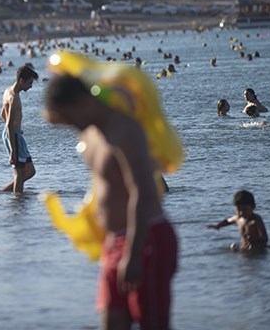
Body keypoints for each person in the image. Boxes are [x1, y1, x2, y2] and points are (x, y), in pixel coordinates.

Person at [44, 75, 177, 330]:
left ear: (84, 101)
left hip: (146, 239)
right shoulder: (91, 133)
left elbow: (143, 191)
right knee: (111, 322)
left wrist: (134, 253)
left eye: (71, 117)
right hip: (113, 242)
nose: (72, 126)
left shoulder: (124, 130)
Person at [0, 65, 38, 195]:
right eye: (29, 83)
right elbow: (10, 124)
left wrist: (15, 130)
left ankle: (3, 192)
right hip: (13, 135)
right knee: (19, 172)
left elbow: (2, 114)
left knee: (30, 171)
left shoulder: (7, 91)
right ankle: (18, 201)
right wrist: (13, 150)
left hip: (14, 134)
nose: (31, 86)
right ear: (21, 80)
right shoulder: (14, 97)